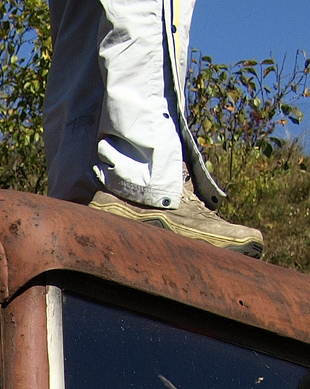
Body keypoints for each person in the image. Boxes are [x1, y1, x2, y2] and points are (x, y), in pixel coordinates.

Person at [44, 0, 263, 255]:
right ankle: (142, 181)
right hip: (138, 180)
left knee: (85, 12)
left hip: (71, 187)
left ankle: (84, 188)